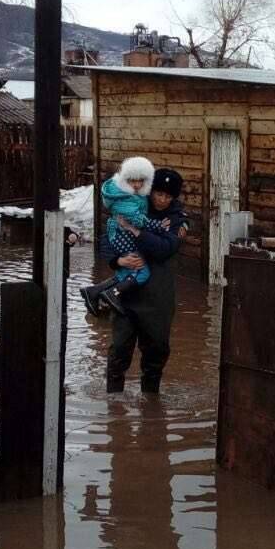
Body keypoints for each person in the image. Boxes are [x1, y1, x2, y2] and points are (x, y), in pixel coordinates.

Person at [99, 167, 188, 394]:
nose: (162, 200)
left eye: (168, 196)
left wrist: (137, 232)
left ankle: (151, 401)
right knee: (119, 349)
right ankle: (114, 405)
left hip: (158, 296)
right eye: (158, 193)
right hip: (126, 294)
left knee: (156, 350)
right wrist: (118, 260)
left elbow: (164, 249)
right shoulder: (134, 204)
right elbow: (108, 239)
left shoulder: (176, 219)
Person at [79, 157, 172, 315]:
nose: (136, 185)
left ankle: (92, 292)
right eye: (132, 181)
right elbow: (137, 219)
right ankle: (112, 294)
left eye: (140, 181)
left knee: (125, 272)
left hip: (123, 236)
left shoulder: (132, 194)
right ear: (125, 180)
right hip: (123, 237)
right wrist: (158, 225)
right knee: (143, 272)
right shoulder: (125, 197)